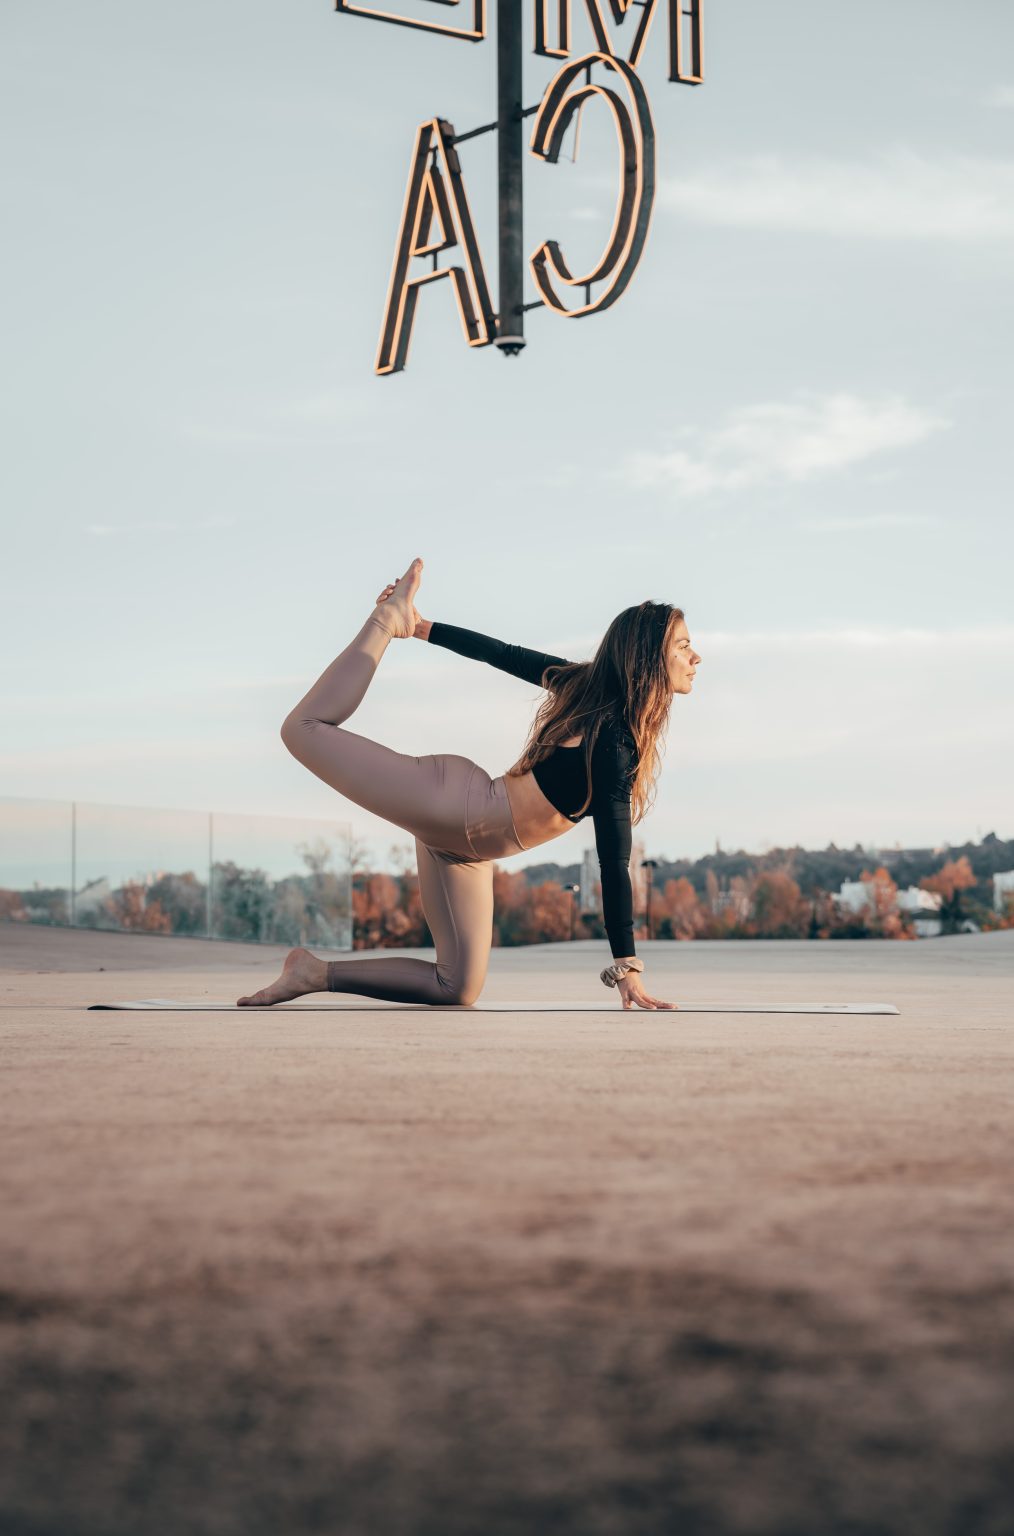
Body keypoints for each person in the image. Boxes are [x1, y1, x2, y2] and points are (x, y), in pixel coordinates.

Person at [237, 558, 701, 1011]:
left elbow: (500, 653)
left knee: (456, 988)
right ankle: (383, 622)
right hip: (456, 807)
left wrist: (424, 628)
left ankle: (312, 974)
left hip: (469, 849)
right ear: (647, 655)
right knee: (303, 728)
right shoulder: (612, 737)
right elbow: (614, 861)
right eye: (682, 645)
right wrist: (626, 964)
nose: (695, 656)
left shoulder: (603, 710)